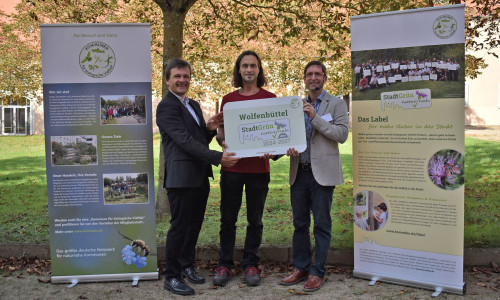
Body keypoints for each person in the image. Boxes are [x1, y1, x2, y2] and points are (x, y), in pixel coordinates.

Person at [156, 58, 239, 296]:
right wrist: (218, 157)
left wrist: (209, 128)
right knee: (179, 227)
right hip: (181, 177)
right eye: (177, 77)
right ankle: (172, 276)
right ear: (167, 80)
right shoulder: (166, 107)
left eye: (186, 76)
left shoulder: (192, 104)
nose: (182, 80)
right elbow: (184, 141)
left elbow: (198, 139)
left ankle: (186, 266)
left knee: (194, 226)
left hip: (199, 176)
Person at [280, 61, 349, 292]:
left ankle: (318, 271)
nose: (313, 78)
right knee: (299, 224)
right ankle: (300, 268)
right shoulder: (293, 105)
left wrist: (314, 117)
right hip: (299, 172)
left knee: (321, 225)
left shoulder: (336, 104)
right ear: (304, 78)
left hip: (323, 175)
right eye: (309, 74)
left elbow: (341, 135)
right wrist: (281, 149)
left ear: (324, 78)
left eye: (317, 74)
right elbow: (286, 135)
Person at [213, 50, 277, 287]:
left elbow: (275, 135)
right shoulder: (228, 100)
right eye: (244, 66)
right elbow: (221, 134)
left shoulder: (270, 98)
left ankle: (251, 264)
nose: (249, 69)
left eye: (253, 65)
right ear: (238, 70)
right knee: (227, 220)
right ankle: (224, 265)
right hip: (232, 169)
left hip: (259, 170)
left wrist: (274, 147)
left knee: (255, 220)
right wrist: (224, 143)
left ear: (259, 70)